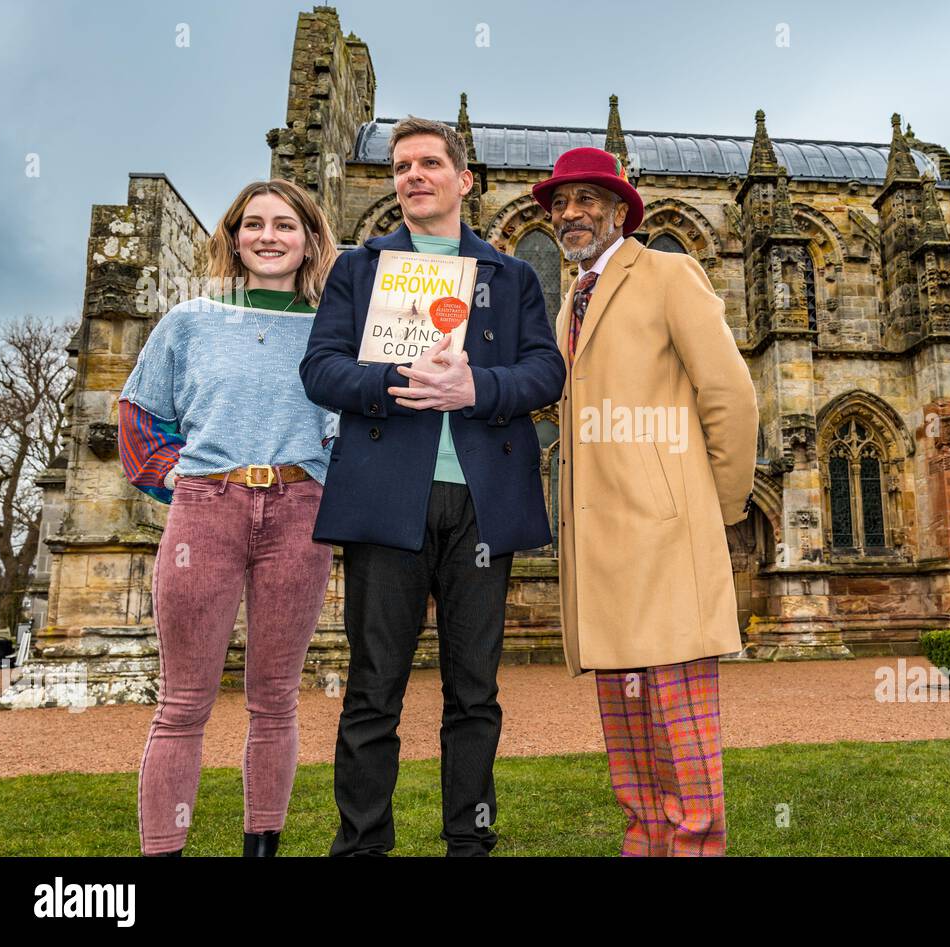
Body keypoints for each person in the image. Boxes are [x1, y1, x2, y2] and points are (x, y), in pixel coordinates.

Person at [299, 117, 565, 856]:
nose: (413, 175)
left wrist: (475, 385)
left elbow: (548, 372)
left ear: (463, 178)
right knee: (373, 689)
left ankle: (468, 843)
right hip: (387, 501)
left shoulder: (509, 276)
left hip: (482, 503)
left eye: (428, 163)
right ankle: (361, 846)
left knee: (473, 691)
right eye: (401, 165)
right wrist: (395, 381)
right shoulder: (361, 268)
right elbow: (319, 370)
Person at [536, 147, 758, 856]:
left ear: (619, 209)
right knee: (632, 759)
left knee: (685, 756)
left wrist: (707, 513)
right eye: (559, 204)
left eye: (585, 200)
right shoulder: (572, 298)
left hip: (665, 548)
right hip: (602, 555)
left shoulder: (668, 273)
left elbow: (731, 397)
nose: (570, 213)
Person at [118, 178, 339, 857]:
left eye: (285, 225)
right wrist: (167, 471)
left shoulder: (336, 329)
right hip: (206, 509)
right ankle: (164, 849)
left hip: (301, 510)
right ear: (234, 237)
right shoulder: (189, 321)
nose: (268, 236)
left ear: (308, 241)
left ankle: (261, 847)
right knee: (184, 701)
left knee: (274, 697)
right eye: (253, 224)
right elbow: (138, 413)